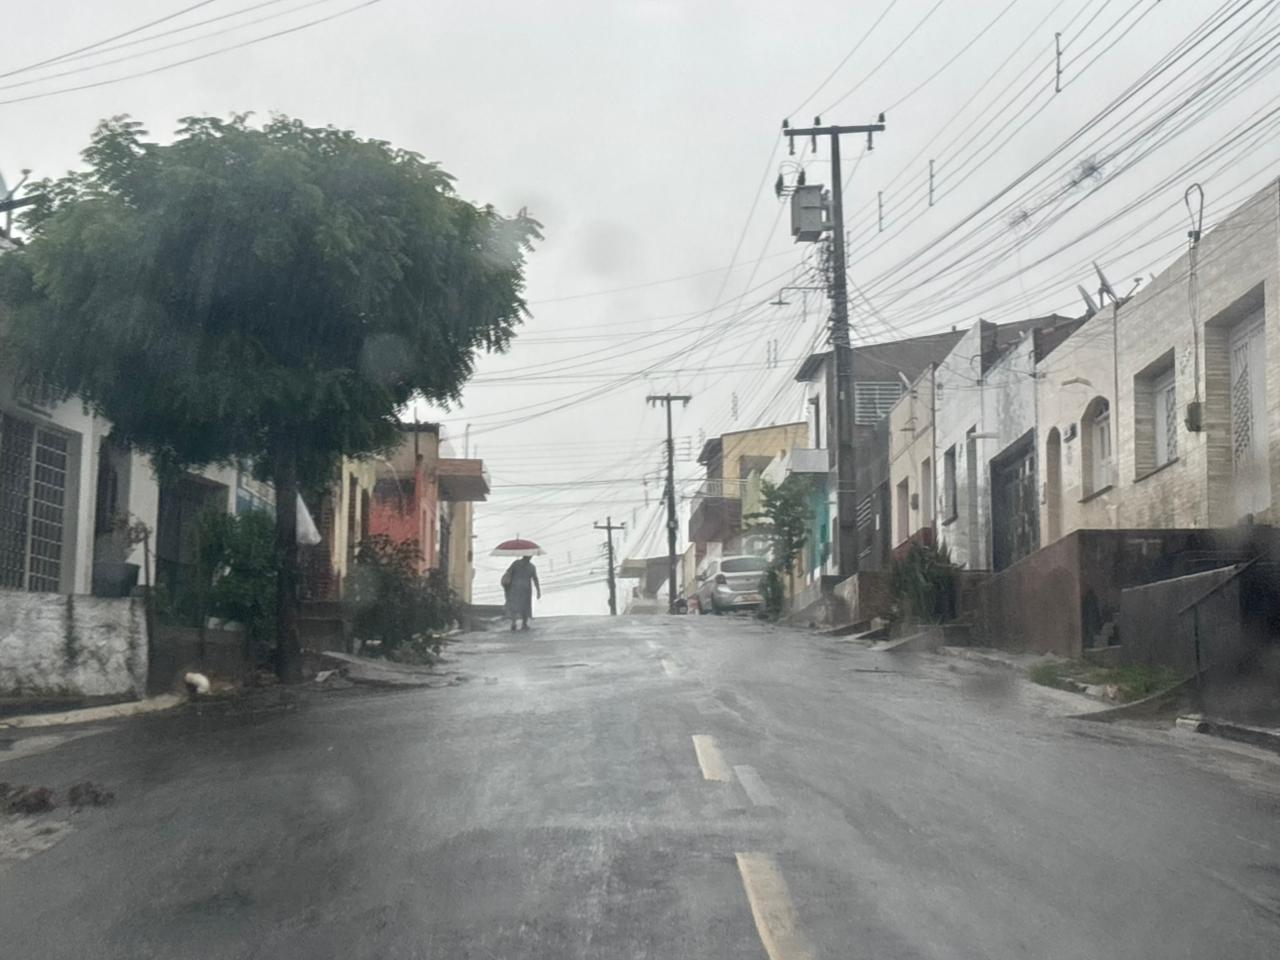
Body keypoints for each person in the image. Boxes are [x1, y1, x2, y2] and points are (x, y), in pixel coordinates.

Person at [502, 555, 541, 631]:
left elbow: (508, 572)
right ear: (530, 557)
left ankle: (514, 622)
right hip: (526, 589)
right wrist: (538, 590)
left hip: (515, 587)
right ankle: (524, 624)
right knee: (525, 606)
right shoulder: (531, 567)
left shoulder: (516, 563)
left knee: (514, 605)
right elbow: (535, 579)